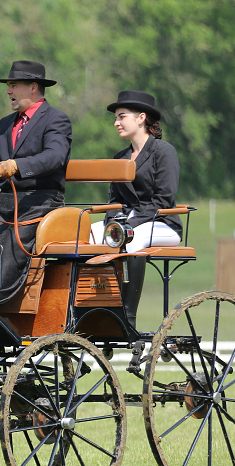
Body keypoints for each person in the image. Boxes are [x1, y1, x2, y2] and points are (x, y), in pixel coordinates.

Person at [0, 60, 72, 305]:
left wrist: (18, 166)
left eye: (13, 85)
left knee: (5, 250)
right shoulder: (5, 125)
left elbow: (55, 157)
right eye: (8, 86)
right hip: (5, 201)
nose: (8, 91)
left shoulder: (56, 120)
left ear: (32, 87)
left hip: (41, 201)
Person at [91, 90, 181, 328]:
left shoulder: (164, 152)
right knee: (87, 234)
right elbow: (114, 200)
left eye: (121, 116)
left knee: (132, 239)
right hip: (126, 222)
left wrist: (127, 224)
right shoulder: (119, 157)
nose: (116, 122)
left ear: (141, 118)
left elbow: (164, 199)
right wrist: (114, 223)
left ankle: (127, 317)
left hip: (163, 223)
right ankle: (94, 307)